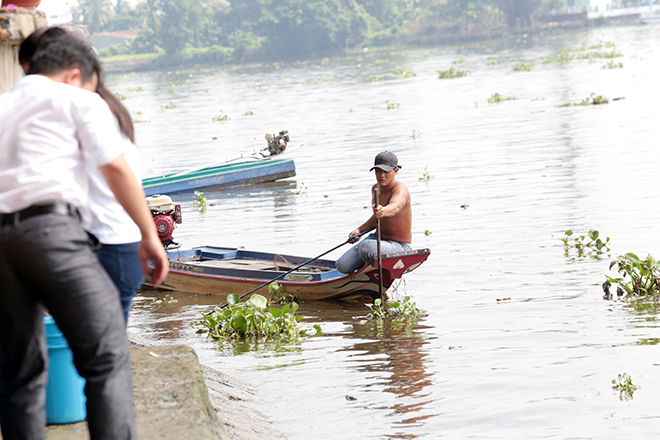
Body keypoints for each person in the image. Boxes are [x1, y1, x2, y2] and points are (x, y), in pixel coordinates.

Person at [0, 35, 168, 440]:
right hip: (51, 232)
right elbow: (116, 170)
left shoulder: (2, 105)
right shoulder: (76, 99)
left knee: (19, 371)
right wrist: (149, 234)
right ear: (75, 75)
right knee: (107, 356)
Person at [19, 26, 145, 325]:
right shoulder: (104, 106)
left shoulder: (84, 110)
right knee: (103, 344)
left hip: (103, 243)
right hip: (114, 240)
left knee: (102, 349)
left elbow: (115, 172)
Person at [336, 151, 412, 274]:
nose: (382, 175)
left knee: (367, 247)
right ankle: (365, 275)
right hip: (377, 239)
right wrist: (359, 230)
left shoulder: (400, 189)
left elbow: (396, 206)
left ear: (396, 171)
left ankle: (374, 272)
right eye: (378, 171)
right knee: (341, 266)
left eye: (386, 171)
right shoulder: (375, 188)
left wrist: (384, 210)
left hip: (399, 245)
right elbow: (377, 217)